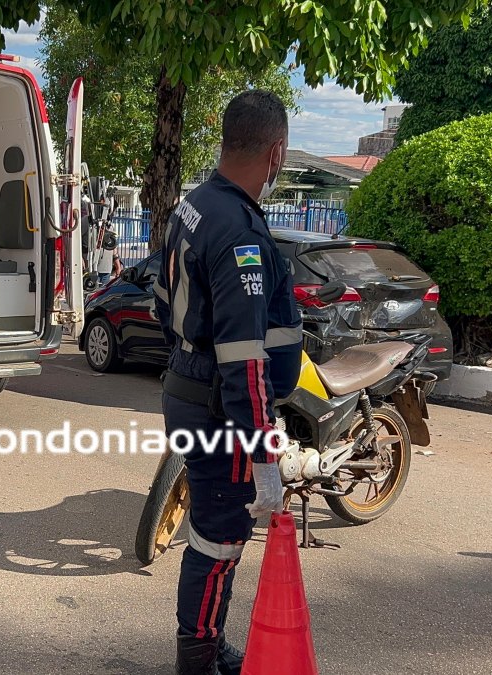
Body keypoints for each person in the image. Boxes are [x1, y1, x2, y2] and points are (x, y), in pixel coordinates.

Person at [153, 90, 303, 675]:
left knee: (211, 538)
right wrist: (265, 453)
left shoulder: (194, 205)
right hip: (221, 408)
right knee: (218, 544)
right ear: (276, 152)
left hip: (188, 386)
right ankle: (199, 663)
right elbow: (245, 361)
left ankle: (208, 647)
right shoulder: (239, 232)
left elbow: (163, 303)